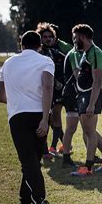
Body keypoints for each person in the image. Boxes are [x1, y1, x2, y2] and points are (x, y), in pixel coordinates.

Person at [0, 30, 53, 204]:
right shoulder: (46, 61)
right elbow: (48, 88)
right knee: (32, 162)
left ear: (21, 45)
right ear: (40, 45)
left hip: (18, 116)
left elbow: (1, 96)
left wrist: (18, 100)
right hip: (39, 115)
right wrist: (45, 119)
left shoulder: (8, 63)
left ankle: (32, 203)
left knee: (28, 162)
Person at [70, 24, 102, 177]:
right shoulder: (86, 52)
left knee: (89, 133)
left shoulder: (96, 53)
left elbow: (97, 81)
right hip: (85, 96)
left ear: (83, 37)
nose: (74, 40)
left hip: (90, 98)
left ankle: (88, 168)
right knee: (89, 131)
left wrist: (91, 104)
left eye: (76, 37)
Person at [36, 23, 66, 159]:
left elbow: (67, 70)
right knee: (48, 121)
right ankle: (61, 144)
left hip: (57, 92)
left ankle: (52, 147)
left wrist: (61, 83)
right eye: (45, 36)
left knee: (55, 117)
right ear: (40, 38)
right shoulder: (37, 54)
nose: (48, 39)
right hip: (41, 92)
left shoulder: (58, 54)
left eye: (50, 36)